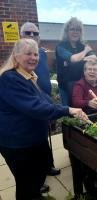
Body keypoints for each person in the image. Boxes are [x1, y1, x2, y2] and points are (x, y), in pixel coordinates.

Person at [0, 38, 89, 200]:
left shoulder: (28, 75)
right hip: (17, 142)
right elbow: (35, 107)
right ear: (16, 56)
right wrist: (68, 109)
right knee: (25, 183)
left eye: (35, 54)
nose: (34, 58)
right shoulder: (10, 78)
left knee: (43, 165)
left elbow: (43, 100)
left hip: (34, 137)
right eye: (28, 54)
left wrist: (58, 108)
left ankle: (34, 192)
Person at [20, 22, 60, 193]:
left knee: (45, 137)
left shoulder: (42, 53)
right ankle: (35, 178)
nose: (32, 35)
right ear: (21, 35)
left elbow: (43, 75)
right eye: (27, 33)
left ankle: (47, 166)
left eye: (35, 33)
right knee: (34, 140)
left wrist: (48, 97)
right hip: (32, 102)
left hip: (44, 99)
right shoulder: (20, 56)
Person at [55, 17, 97, 106]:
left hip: (82, 86)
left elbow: (94, 57)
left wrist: (78, 59)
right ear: (67, 31)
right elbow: (73, 58)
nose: (75, 32)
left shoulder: (81, 45)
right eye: (72, 29)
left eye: (78, 30)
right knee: (69, 113)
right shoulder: (61, 46)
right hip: (65, 87)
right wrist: (85, 52)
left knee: (83, 109)